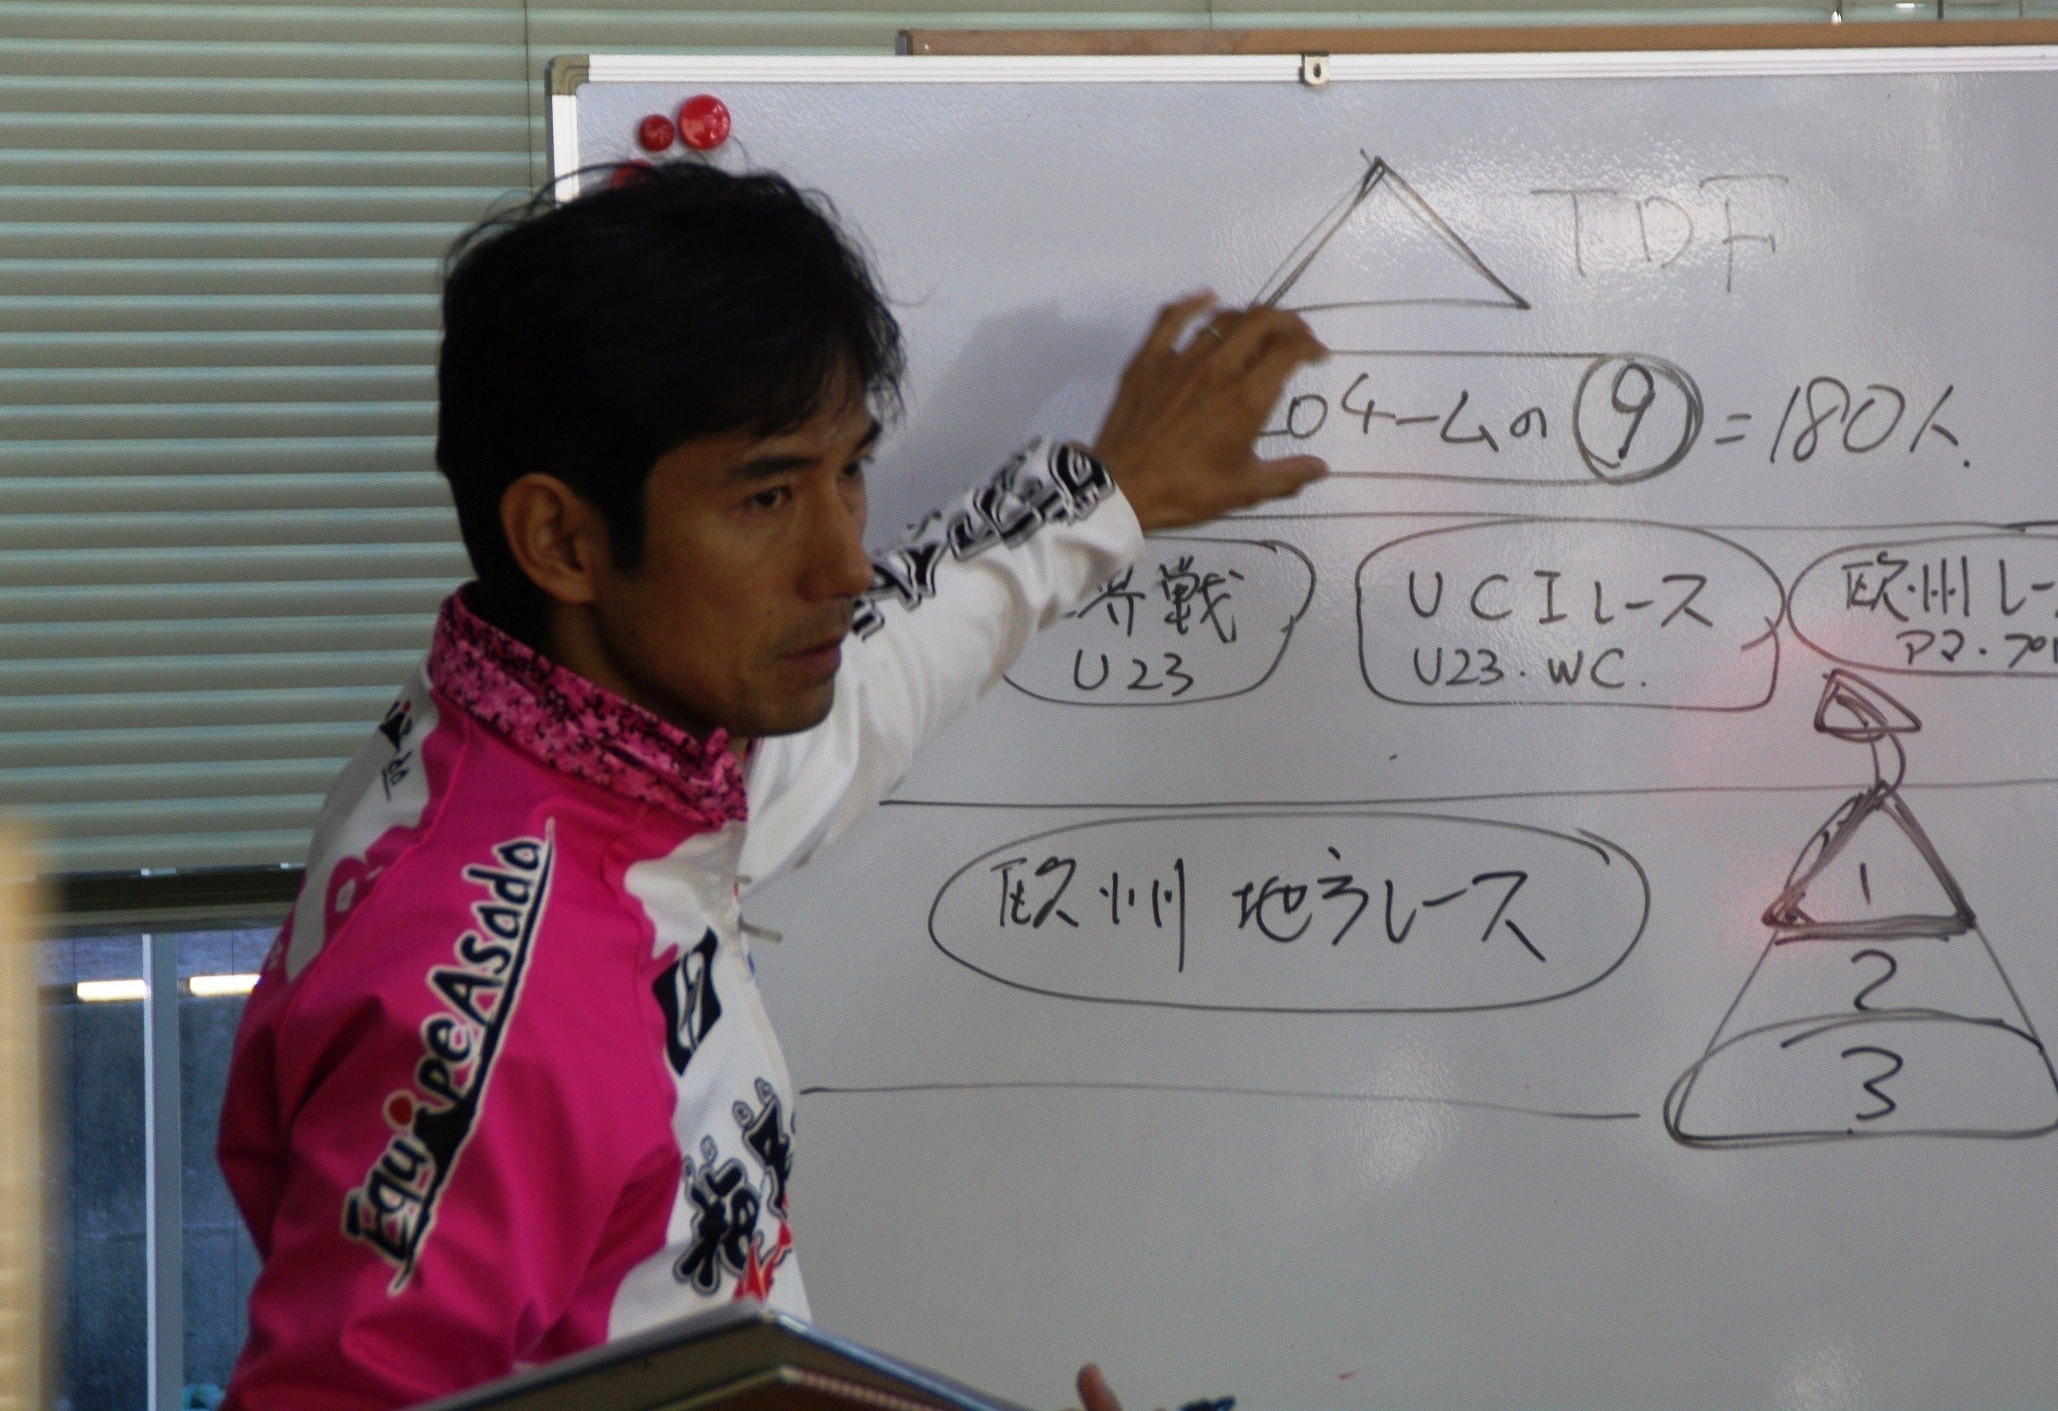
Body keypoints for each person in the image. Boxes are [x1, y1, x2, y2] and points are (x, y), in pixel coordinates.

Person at [211, 162, 1326, 1411]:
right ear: (562, 539)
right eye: (766, 495)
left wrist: (1105, 498)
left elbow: (872, 686)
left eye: (848, 471)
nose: (844, 560)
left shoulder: (558, 743)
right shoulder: (513, 1011)